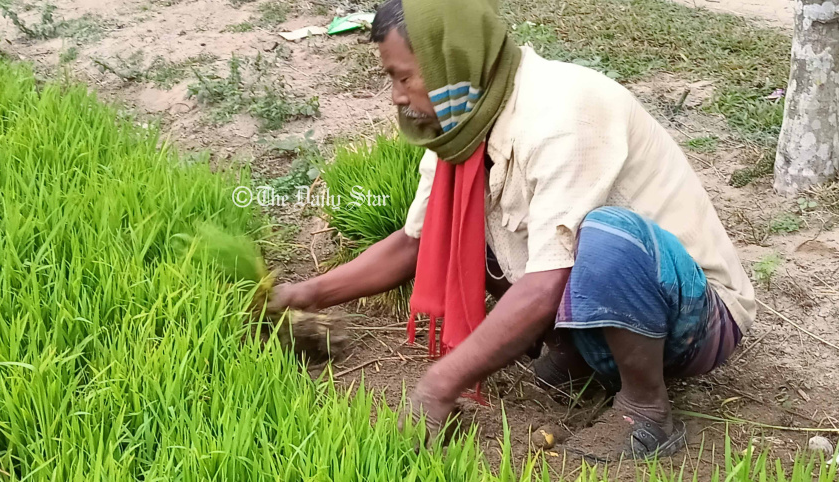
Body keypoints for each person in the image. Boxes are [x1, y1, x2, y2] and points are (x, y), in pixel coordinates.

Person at [270, 0, 755, 460]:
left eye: (403, 77)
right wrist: (302, 294)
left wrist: (438, 385)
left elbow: (548, 280)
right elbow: (416, 242)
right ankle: (577, 358)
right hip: (603, 315)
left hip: (691, 321)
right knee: (469, 226)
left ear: (449, 62)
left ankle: (645, 411)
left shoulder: (564, 111)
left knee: (607, 237)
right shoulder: (462, 127)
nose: (398, 96)